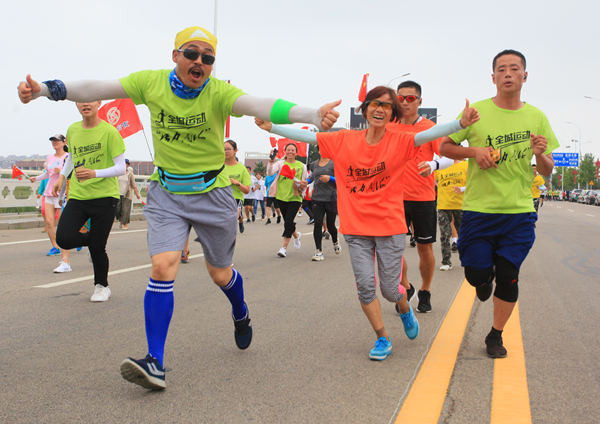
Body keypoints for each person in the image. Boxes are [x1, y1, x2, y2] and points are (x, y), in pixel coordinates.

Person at [18, 26, 341, 389]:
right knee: (162, 266)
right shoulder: (151, 83)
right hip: (167, 193)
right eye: (191, 53)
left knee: (220, 274)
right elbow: (97, 88)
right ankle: (154, 361)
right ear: (175, 56)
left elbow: (261, 105)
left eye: (208, 57)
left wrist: (311, 113)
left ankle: (240, 311)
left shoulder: (219, 92)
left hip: (212, 194)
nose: (199, 61)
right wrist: (45, 89)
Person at [256, 85, 479, 360]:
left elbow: (428, 134)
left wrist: (459, 124)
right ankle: (382, 337)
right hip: (356, 228)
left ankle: (404, 308)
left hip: (389, 226)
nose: (380, 109)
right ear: (365, 109)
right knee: (365, 287)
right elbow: (309, 137)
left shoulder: (400, 141)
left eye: (387, 106)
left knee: (390, 289)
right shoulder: (345, 139)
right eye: (375, 103)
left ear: (392, 113)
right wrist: (272, 127)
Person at [439, 49, 558, 359]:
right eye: (502, 69)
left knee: (509, 273)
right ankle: (483, 277)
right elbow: (445, 146)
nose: (508, 73)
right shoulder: (476, 112)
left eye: (514, 68)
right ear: (493, 77)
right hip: (479, 209)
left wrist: (540, 154)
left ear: (524, 76)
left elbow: (547, 170)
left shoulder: (537, 117)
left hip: (519, 211)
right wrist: (474, 152)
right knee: (475, 274)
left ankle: (496, 334)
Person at [43, 101, 126, 302]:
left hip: (105, 196)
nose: (86, 104)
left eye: (91, 100)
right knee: (63, 238)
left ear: (99, 103)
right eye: (81, 100)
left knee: (97, 248)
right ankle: (94, 239)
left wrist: (94, 173)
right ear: (76, 103)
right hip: (79, 196)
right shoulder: (73, 129)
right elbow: (72, 157)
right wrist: (62, 176)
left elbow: (121, 167)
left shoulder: (110, 132)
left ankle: (102, 286)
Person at [389, 81, 456, 313]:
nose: (405, 102)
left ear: (419, 101)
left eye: (410, 98)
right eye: (401, 98)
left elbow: (448, 157)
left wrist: (433, 164)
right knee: (392, 250)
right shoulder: (389, 126)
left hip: (422, 197)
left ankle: (425, 291)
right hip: (393, 198)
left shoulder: (430, 128)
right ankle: (407, 287)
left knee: (424, 249)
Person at [267, 143, 308, 258]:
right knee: (288, 222)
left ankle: (283, 248)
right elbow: (270, 173)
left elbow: (305, 180)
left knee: (288, 221)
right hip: (281, 196)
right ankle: (296, 235)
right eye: (288, 150)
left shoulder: (302, 166)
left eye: (292, 150)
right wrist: (271, 161)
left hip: (295, 197)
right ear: (285, 151)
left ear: (296, 152)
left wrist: (303, 189)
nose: (290, 152)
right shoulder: (280, 164)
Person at [30, 134, 68, 257]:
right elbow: (47, 174)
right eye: (53, 141)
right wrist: (36, 178)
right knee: (49, 221)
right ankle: (55, 246)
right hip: (49, 193)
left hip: (63, 194)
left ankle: (72, 241)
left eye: (57, 140)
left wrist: (61, 172)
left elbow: (72, 174)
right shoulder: (50, 158)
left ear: (64, 142)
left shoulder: (68, 157)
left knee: (63, 223)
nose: (54, 142)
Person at [307, 148, 341, 261]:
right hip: (317, 198)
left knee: (331, 225)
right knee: (318, 224)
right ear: (318, 151)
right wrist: (306, 182)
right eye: (321, 148)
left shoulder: (334, 163)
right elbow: (312, 177)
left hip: (331, 198)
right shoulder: (314, 164)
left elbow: (341, 179)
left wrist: (330, 178)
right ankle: (319, 251)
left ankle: (335, 241)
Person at [434, 158, 468, 271]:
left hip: (460, 205)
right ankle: (446, 262)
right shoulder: (440, 166)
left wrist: (462, 189)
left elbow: (473, 183)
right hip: (443, 205)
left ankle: (467, 260)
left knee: (463, 234)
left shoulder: (465, 166)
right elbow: (432, 179)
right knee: (445, 234)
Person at [225, 140, 252, 233]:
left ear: (235, 150)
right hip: (222, 197)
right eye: (224, 149)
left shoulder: (242, 168)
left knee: (234, 217)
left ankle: (240, 220)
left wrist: (238, 183)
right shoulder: (219, 167)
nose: (226, 151)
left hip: (236, 197)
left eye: (228, 149)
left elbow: (247, 190)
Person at [116, 159, 142, 230]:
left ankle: (126, 224)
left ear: (128, 165)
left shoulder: (130, 174)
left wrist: (137, 194)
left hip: (127, 195)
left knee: (125, 210)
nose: (124, 165)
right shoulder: (118, 173)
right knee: (117, 209)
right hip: (118, 194)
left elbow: (133, 184)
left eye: (126, 164)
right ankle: (121, 219)